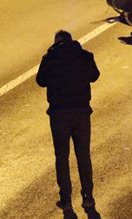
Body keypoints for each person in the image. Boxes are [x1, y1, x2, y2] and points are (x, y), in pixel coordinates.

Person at [36, 30, 101, 219]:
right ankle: (88, 197)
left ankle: (66, 199)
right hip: (81, 113)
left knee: (62, 157)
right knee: (83, 156)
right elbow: (94, 76)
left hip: (59, 115)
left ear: (56, 42)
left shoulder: (50, 58)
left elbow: (41, 81)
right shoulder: (84, 56)